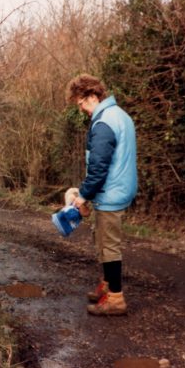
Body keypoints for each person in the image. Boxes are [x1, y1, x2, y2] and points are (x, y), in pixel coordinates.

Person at [67, 74, 137, 316]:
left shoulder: (104, 122)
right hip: (120, 188)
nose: (82, 109)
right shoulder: (120, 115)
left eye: (82, 103)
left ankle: (115, 299)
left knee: (109, 246)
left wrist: (83, 195)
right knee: (104, 241)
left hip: (110, 192)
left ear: (93, 96)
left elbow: (98, 167)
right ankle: (107, 286)